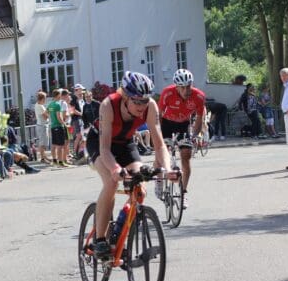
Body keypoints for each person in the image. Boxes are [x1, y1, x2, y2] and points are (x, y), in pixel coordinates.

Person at [86, 72, 172, 259]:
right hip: (101, 144)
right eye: (137, 101)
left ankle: (120, 228)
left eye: (145, 100)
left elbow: (159, 144)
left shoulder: (150, 107)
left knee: (140, 186)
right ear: (125, 96)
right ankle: (100, 240)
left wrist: (168, 170)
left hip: (125, 143)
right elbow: (105, 149)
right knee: (111, 182)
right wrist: (116, 169)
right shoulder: (108, 105)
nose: (142, 106)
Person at [157, 69, 206, 206]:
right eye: (182, 87)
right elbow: (158, 114)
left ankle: (183, 192)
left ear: (192, 84)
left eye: (188, 86)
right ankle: (159, 182)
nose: (186, 90)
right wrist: (158, 135)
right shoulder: (167, 93)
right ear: (176, 86)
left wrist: (194, 136)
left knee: (186, 156)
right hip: (167, 123)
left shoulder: (199, 96)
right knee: (162, 154)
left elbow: (199, 119)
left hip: (183, 124)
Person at [47, 89, 68, 167]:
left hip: (52, 126)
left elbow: (46, 113)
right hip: (58, 126)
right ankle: (61, 162)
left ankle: (55, 160)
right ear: (57, 95)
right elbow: (59, 117)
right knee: (60, 145)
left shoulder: (50, 104)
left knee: (54, 144)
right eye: (60, 95)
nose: (60, 97)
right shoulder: (57, 105)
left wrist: (51, 119)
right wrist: (64, 124)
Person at [34, 91, 51, 163]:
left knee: (43, 142)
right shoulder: (40, 106)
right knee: (42, 143)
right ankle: (43, 158)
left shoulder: (37, 105)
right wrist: (49, 111)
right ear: (42, 99)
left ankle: (44, 157)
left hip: (41, 125)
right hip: (42, 126)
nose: (45, 100)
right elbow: (45, 117)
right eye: (45, 98)